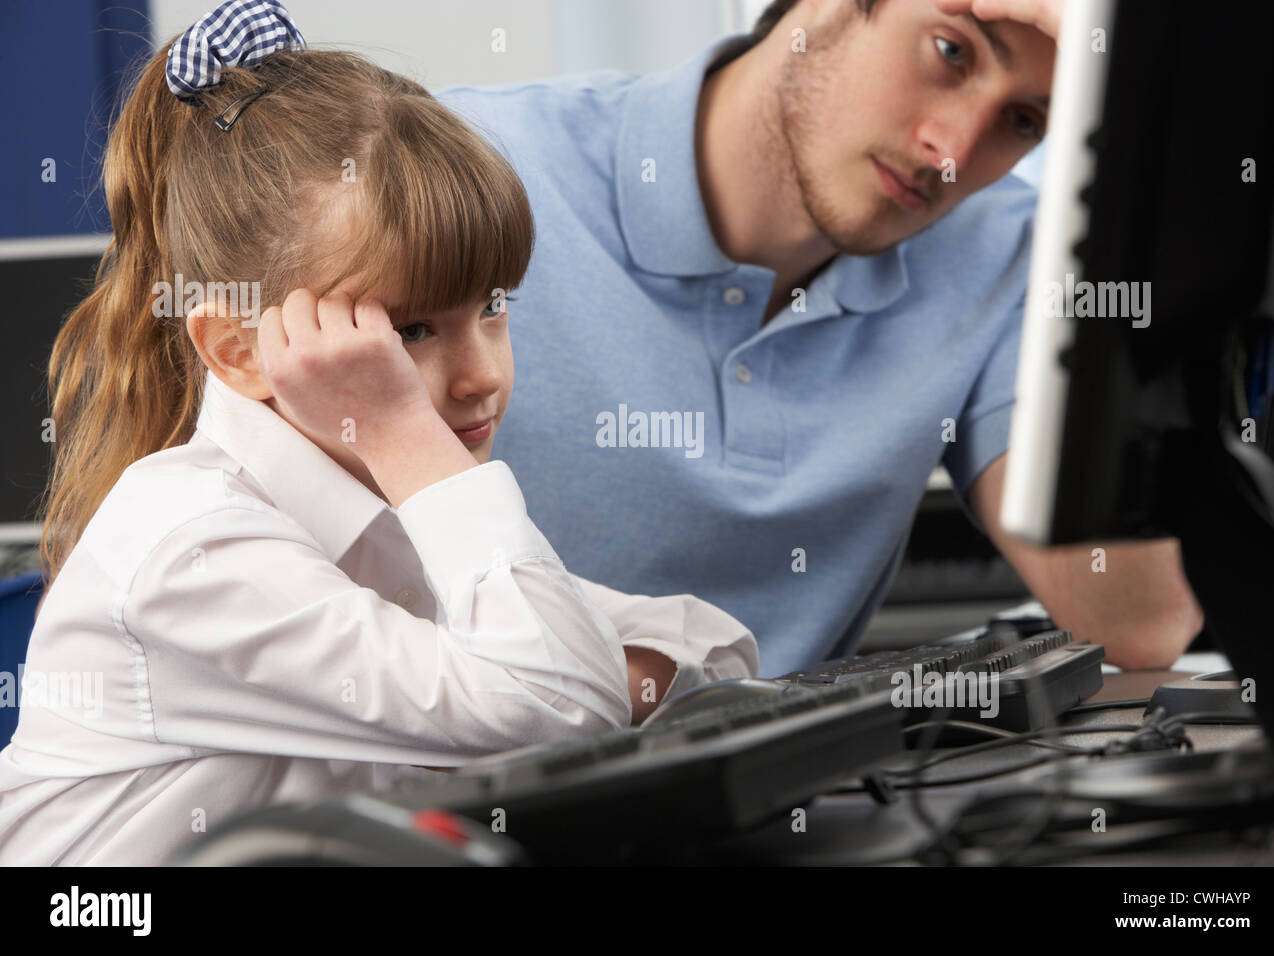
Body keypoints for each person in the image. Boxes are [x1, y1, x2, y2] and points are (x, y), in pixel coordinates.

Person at [0, 0, 756, 866]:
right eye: (409, 332)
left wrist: (567, 681)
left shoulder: (372, 501)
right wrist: (404, 434)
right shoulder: (193, 547)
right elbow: (564, 706)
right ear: (242, 351)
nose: (485, 376)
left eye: (494, 307)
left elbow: (707, 640)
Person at [433, 0, 1203, 677]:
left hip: (785, 815)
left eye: (1025, 120)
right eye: (951, 52)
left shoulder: (1001, 254)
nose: (954, 151)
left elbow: (1142, 623)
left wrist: (1143, 145)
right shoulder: (467, 168)